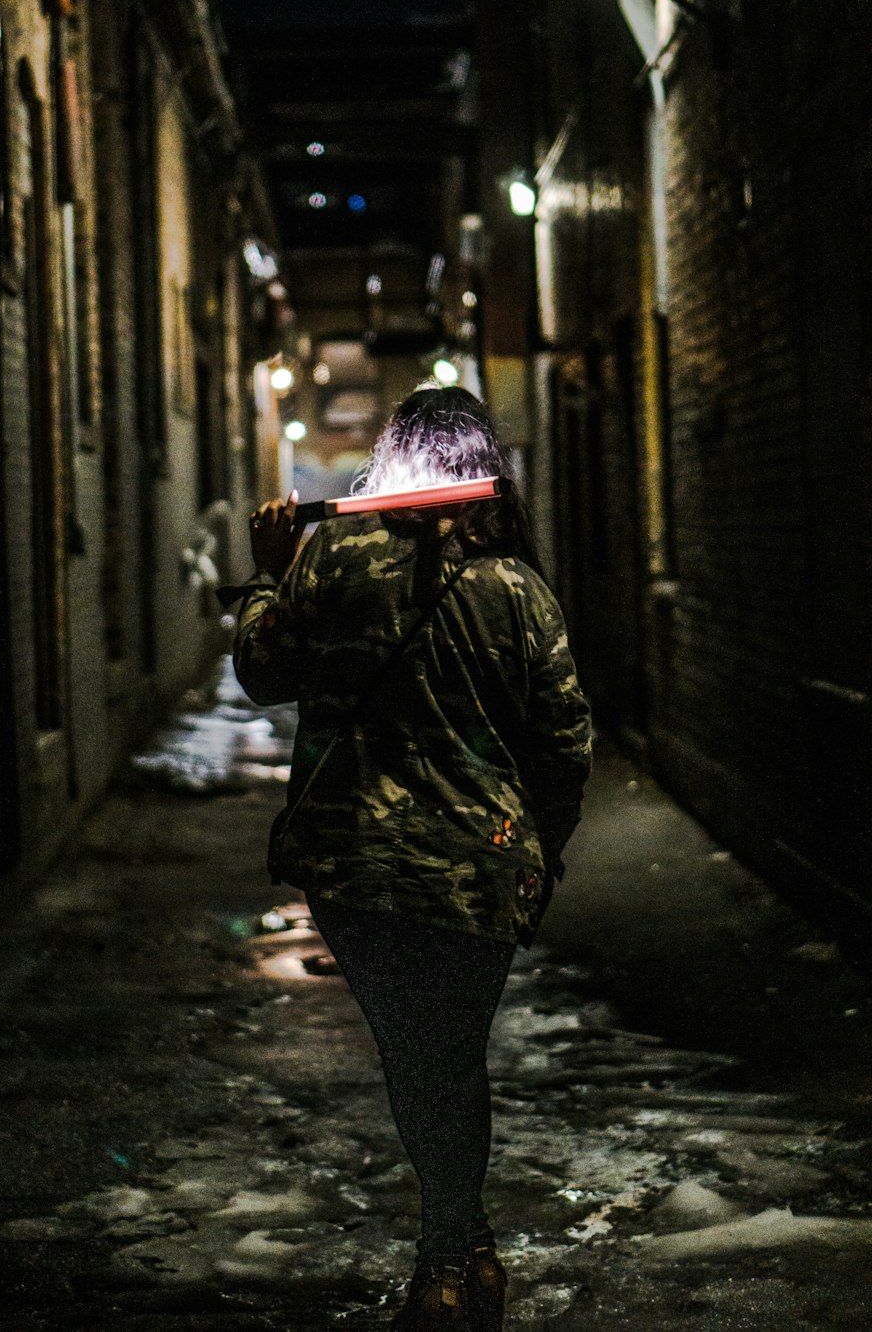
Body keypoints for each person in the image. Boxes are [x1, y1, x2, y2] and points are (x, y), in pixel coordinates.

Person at [232, 385, 593, 1331]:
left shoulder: (335, 558)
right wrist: (535, 850)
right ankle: (462, 1252)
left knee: (417, 1058)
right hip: (479, 868)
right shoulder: (516, 588)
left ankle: (451, 1257)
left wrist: (269, 574)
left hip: (359, 870)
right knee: (450, 1055)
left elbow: (265, 674)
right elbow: (564, 742)